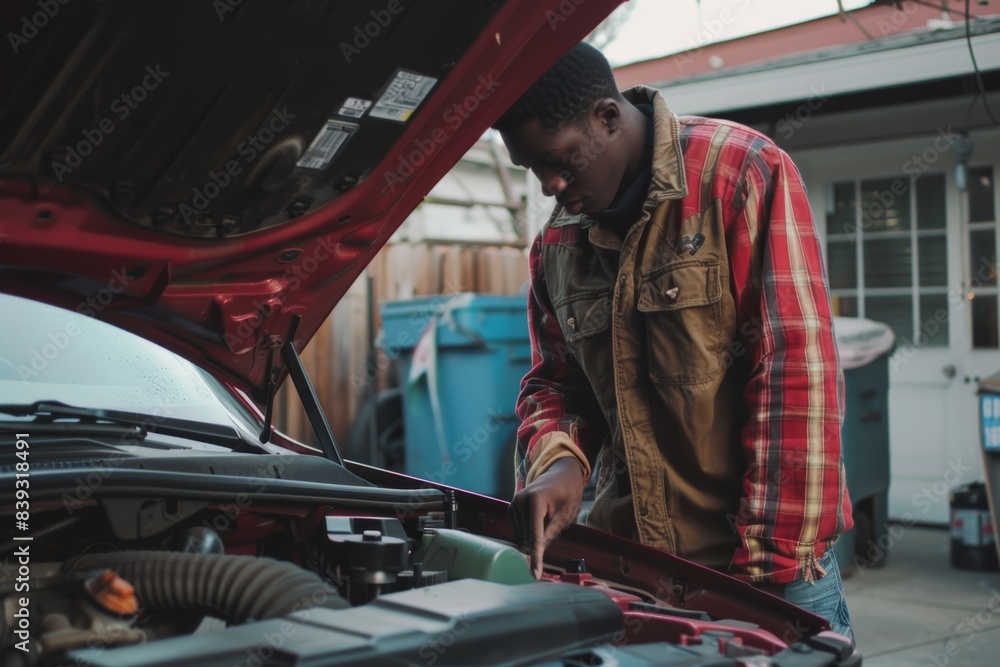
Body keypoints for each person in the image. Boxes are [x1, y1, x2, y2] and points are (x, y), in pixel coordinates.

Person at [493, 42, 855, 642]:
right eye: (532, 170)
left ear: (606, 117)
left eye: (559, 161)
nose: (550, 186)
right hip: (632, 572)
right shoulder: (556, 248)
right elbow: (554, 385)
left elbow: (795, 376)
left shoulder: (741, 174)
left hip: (767, 571)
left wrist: (763, 582)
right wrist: (558, 461)